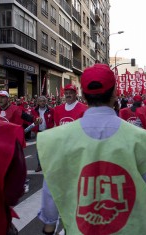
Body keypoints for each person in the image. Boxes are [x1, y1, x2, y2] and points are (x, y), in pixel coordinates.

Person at [37, 64, 146, 234]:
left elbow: (51, 189)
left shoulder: (57, 139)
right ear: (114, 93)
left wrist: (50, 224)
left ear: (82, 95)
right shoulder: (140, 138)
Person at [37, 84, 87, 234]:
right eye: (67, 93)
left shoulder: (84, 109)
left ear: (76, 93)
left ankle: (71, 225)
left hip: (78, 155)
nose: (69, 95)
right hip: (61, 154)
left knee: (75, 192)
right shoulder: (57, 110)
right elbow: (55, 129)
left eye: (72, 92)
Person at [0, 70, 27, 234]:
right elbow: (12, 194)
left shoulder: (15, 110)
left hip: (9, 145)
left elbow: (26, 118)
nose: (0, 100)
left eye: (3, 97)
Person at [32, 96, 55, 172]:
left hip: (48, 131)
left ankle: (49, 165)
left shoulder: (51, 110)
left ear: (46, 102)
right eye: (40, 101)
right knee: (39, 150)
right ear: (38, 102)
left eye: (43, 101)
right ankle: (39, 165)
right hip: (39, 132)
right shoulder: (34, 111)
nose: (42, 102)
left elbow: (54, 120)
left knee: (49, 149)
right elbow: (31, 121)